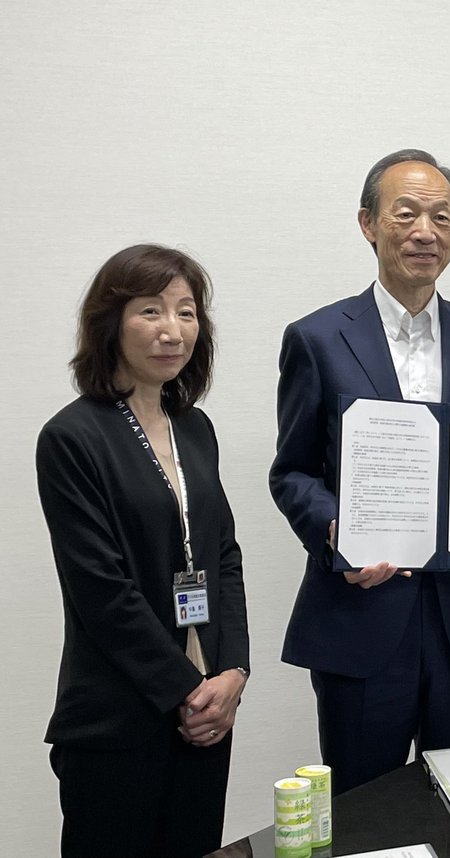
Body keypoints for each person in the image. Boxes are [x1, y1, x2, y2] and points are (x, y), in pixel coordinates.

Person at [270, 149, 450, 794]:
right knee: (365, 811)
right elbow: (292, 472)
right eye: (405, 214)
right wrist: (336, 532)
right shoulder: (317, 338)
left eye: (442, 217)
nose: (424, 232)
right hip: (360, 614)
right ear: (368, 223)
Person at [36, 245, 249, 858]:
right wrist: (187, 690)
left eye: (186, 312)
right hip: (119, 719)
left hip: (206, 717)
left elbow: (223, 555)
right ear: (111, 322)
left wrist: (233, 673)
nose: (172, 330)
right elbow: (100, 592)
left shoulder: (194, 428)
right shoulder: (72, 437)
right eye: (150, 310)